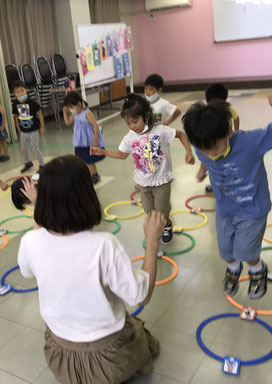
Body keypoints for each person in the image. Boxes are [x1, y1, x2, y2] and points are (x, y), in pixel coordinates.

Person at [17, 155, 166, 384]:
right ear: (87, 196)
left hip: (60, 355)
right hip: (110, 359)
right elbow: (141, 296)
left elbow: (27, 270)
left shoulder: (30, 241)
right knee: (142, 336)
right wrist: (152, 240)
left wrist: (41, 209)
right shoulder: (104, 245)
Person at [182, 96, 272, 299]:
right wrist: (203, 169)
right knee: (226, 250)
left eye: (215, 148)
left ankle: (257, 270)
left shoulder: (250, 141)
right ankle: (233, 269)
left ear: (228, 131)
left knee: (247, 251)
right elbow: (205, 157)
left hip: (252, 209)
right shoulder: (203, 148)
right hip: (225, 209)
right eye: (204, 149)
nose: (210, 153)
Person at [91, 94, 194, 244]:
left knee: (161, 211)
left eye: (135, 121)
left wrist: (189, 152)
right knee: (149, 211)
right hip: (143, 182)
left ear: (146, 116)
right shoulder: (130, 137)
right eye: (128, 123)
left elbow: (181, 134)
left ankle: (166, 224)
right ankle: (159, 224)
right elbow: (122, 154)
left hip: (161, 180)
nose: (132, 126)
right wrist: (103, 151)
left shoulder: (160, 131)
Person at [199, 83, 241, 193]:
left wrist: (236, 132)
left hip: (226, 140)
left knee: (226, 163)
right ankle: (215, 184)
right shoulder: (208, 110)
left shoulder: (228, 108)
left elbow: (236, 117)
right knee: (214, 163)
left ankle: (229, 183)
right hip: (214, 140)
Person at [63, 91, 106, 184]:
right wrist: (65, 112)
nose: (71, 109)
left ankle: (95, 175)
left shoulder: (87, 113)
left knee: (89, 160)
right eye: (69, 108)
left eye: (71, 107)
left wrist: (95, 139)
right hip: (79, 141)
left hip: (88, 140)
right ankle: (84, 175)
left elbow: (95, 125)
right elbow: (67, 123)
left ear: (79, 104)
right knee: (80, 159)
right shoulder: (74, 113)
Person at [11, 80, 46, 173]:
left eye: (22, 90)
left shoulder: (32, 102)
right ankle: (28, 163)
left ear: (26, 90)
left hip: (33, 130)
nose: (20, 93)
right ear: (14, 94)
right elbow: (16, 117)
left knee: (35, 148)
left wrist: (42, 127)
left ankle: (42, 165)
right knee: (23, 148)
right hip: (23, 131)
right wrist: (18, 128)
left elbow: (40, 114)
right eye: (17, 92)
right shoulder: (15, 104)